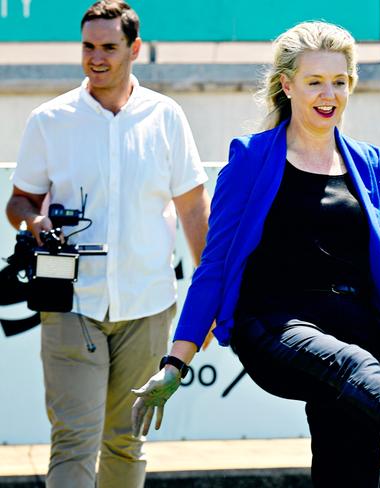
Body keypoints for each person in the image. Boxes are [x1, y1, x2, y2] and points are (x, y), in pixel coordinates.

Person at [132, 21, 380, 487]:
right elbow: (215, 268)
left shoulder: (369, 163)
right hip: (272, 325)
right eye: (315, 82)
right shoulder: (249, 157)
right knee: (353, 364)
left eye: (340, 82)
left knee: (349, 473)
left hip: (355, 326)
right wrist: (175, 363)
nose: (330, 94)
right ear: (287, 85)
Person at [4, 1, 210, 487]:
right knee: (74, 440)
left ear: (134, 49)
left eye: (109, 48)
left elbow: (192, 208)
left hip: (148, 307)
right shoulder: (50, 119)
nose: (96, 58)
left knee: (126, 440)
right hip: (71, 305)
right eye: (88, 47)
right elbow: (19, 200)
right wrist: (34, 223)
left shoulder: (166, 116)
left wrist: (210, 295)